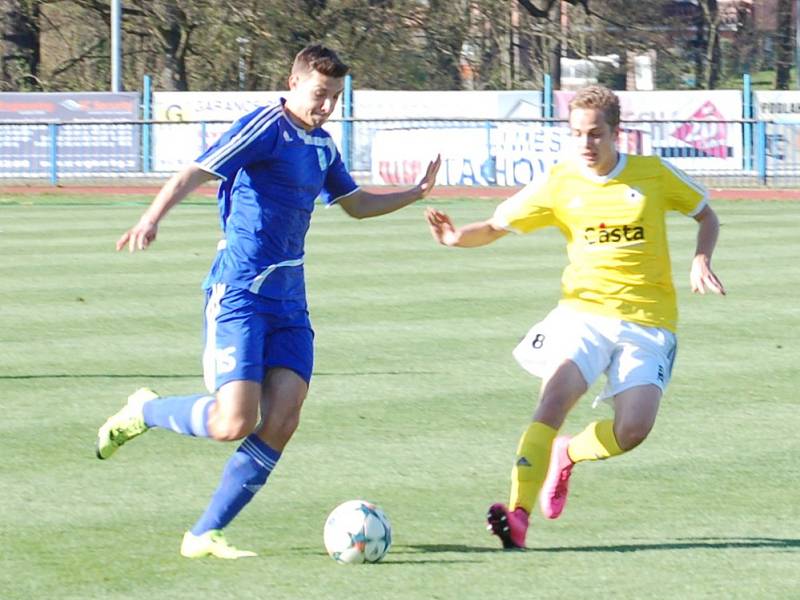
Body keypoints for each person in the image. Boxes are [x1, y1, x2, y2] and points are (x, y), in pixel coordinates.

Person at [95, 43, 441, 559]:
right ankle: (145, 411)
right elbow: (196, 170)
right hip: (239, 293)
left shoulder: (323, 146)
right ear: (295, 83)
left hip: (290, 303)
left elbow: (356, 204)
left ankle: (203, 534)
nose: (326, 106)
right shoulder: (264, 127)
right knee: (231, 422)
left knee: (283, 416)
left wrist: (415, 192)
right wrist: (151, 218)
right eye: (320, 94)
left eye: (334, 98)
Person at [425, 84, 724, 550]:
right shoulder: (560, 181)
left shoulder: (651, 174)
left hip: (649, 320)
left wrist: (700, 259)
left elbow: (707, 216)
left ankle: (569, 452)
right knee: (553, 399)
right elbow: (495, 226)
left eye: (596, 134)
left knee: (633, 431)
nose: (586, 144)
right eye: (578, 134)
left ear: (617, 133)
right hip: (583, 315)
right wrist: (454, 237)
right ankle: (518, 515)